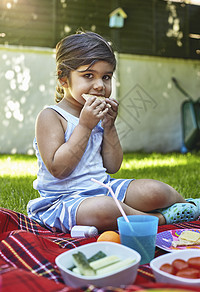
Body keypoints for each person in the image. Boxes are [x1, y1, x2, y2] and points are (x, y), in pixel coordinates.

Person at [27, 31, 200, 233]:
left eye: (106, 77)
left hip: (104, 187)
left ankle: (189, 207)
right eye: (88, 75)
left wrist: (109, 126)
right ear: (63, 78)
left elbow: (113, 166)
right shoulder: (51, 117)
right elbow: (58, 169)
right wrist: (84, 126)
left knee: (155, 191)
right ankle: (160, 219)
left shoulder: (97, 115)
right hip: (63, 201)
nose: (100, 85)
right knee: (105, 208)